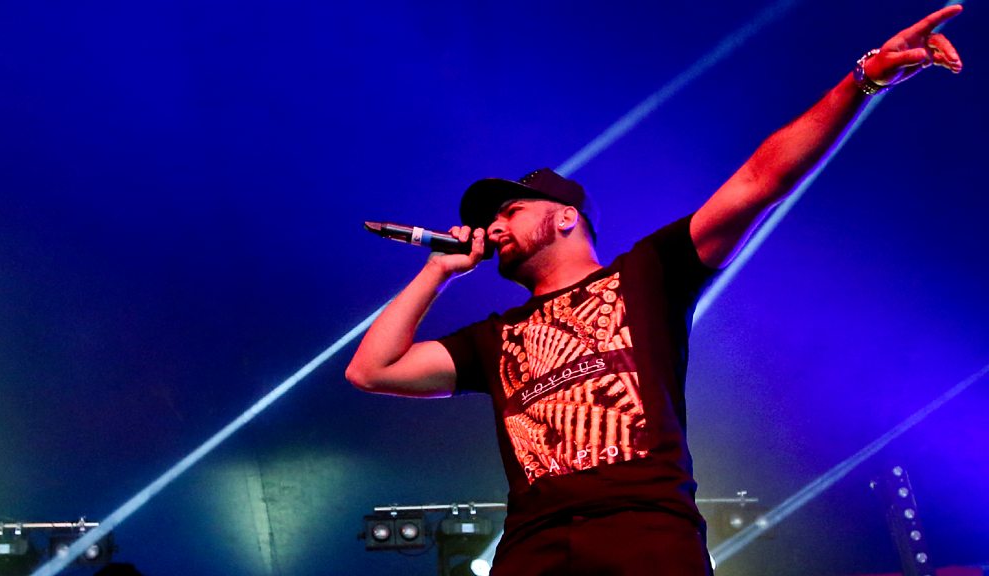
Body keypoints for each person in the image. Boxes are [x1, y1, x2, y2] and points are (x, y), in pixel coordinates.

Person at [345, 6, 964, 575]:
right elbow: (371, 370)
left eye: (510, 211)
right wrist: (437, 270)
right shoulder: (493, 338)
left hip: (645, 533)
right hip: (532, 547)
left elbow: (760, 179)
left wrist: (863, 79)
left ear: (565, 217)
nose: (495, 227)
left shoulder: (648, 273)